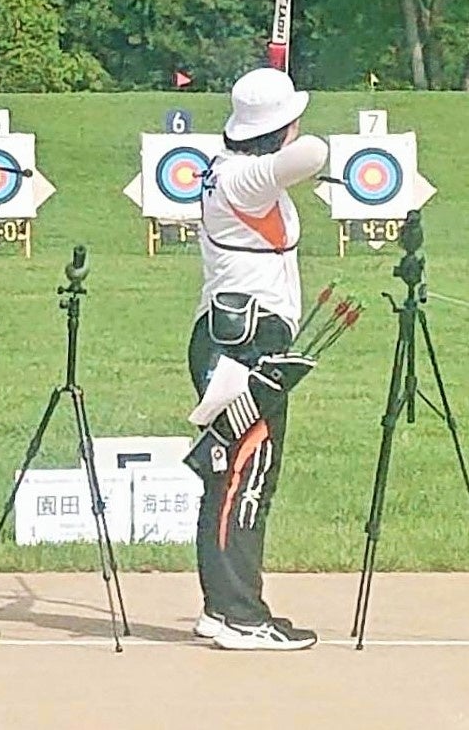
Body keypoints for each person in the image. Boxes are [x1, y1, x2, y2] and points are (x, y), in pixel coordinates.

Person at [187, 67, 328, 651]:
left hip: (237, 338)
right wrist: (287, 128)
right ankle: (240, 614)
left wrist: (276, 119)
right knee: (244, 475)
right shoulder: (246, 177)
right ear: (277, 128)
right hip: (244, 345)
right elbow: (314, 153)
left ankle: (227, 607)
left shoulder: (233, 170)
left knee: (234, 473)